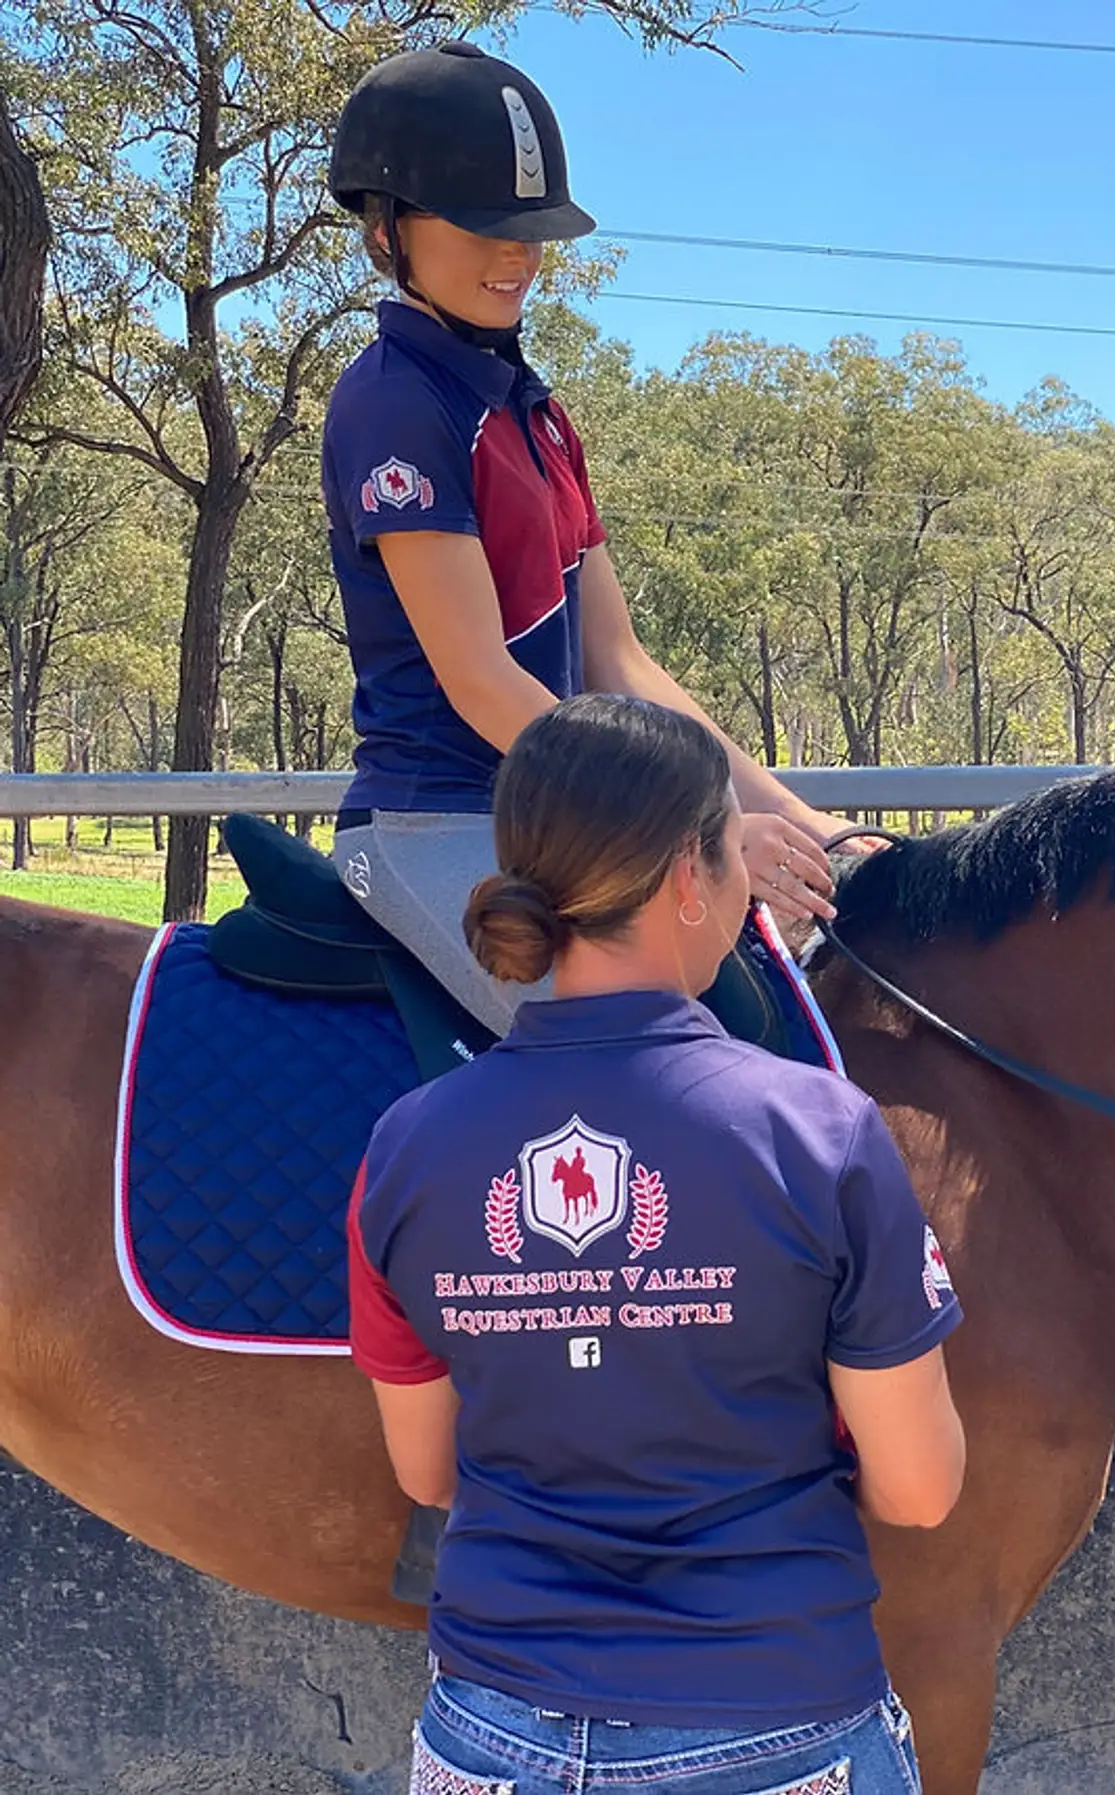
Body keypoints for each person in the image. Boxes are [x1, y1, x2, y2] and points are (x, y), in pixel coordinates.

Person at [348, 693, 966, 1794]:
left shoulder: (404, 1145)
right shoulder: (819, 1131)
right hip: (780, 1726)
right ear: (690, 875)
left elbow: (427, 1470)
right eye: (734, 850)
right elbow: (918, 1489)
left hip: (492, 1736)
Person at [322, 41, 843, 1034]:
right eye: (483, 223)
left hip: (565, 823)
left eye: (533, 229)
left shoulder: (539, 417)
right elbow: (479, 679)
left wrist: (813, 826)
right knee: (627, 1045)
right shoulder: (393, 403)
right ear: (387, 230)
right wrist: (705, 828)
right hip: (438, 821)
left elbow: (618, 663)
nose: (518, 253)